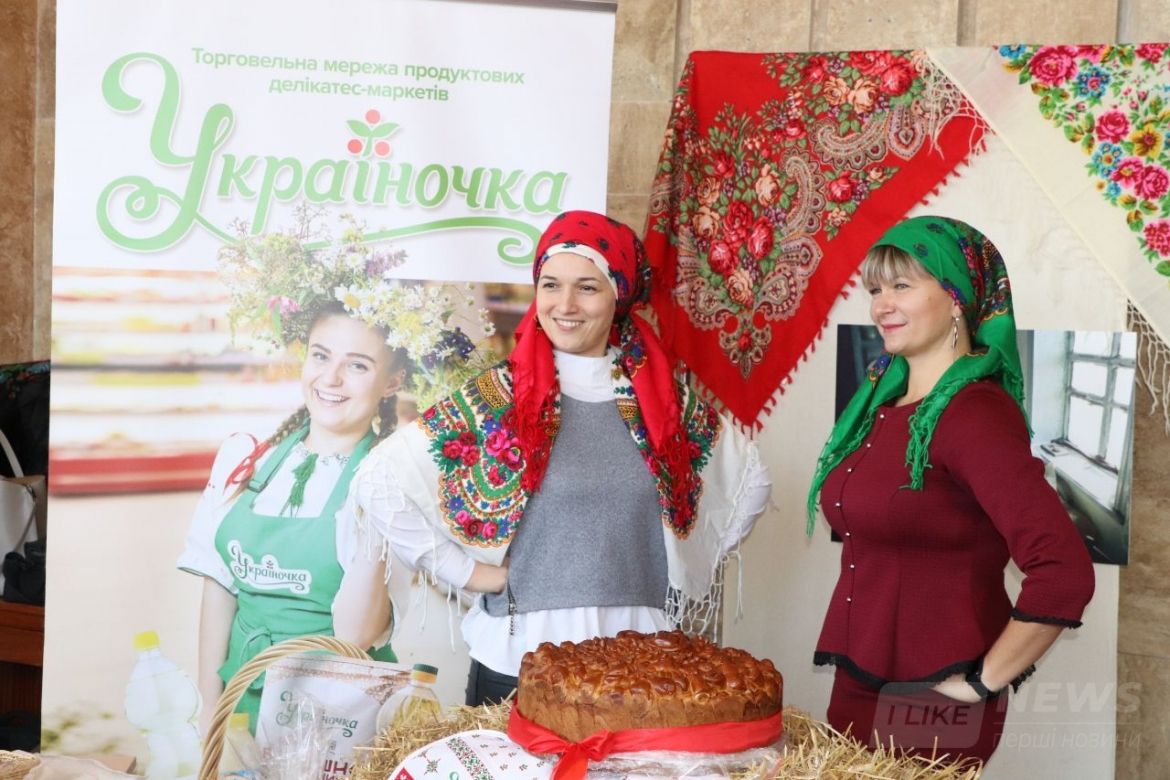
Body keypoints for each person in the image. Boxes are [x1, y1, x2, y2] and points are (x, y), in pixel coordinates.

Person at [350, 210, 773, 706]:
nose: (565, 305)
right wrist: (469, 574)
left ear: (619, 295)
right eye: (551, 285)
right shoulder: (500, 397)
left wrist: (679, 565)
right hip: (518, 666)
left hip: (640, 670)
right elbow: (377, 481)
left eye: (587, 288)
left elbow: (751, 482)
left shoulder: (662, 402)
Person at [806, 216, 1095, 765]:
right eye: (875, 289)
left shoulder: (974, 414)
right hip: (859, 678)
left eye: (902, 285)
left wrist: (981, 682)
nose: (882, 305)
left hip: (932, 700)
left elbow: (1064, 571)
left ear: (957, 298)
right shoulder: (880, 406)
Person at [178, 300, 409, 732]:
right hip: (242, 698)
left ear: (392, 381)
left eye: (357, 365)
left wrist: (376, 495)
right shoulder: (244, 457)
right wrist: (211, 710)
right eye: (321, 356)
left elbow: (356, 636)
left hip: (340, 719)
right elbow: (221, 587)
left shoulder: (387, 483)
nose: (331, 379)